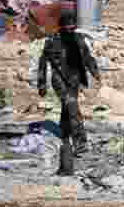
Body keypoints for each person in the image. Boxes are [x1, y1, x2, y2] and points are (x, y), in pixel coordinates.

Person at [38, 10, 101, 176]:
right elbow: (42, 64)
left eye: (72, 28)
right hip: (60, 80)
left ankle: (65, 133)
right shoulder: (51, 41)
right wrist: (41, 83)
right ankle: (81, 144)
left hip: (75, 79)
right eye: (67, 28)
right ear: (61, 27)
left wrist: (95, 72)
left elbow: (87, 57)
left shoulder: (79, 39)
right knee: (72, 107)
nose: (70, 31)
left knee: (68, 109)